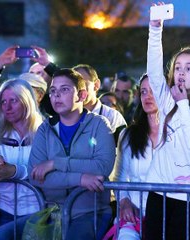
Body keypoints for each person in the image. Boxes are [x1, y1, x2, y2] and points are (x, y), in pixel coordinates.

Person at [145, 11, 190, 239]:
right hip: (159, 191)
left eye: (189, 68)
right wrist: (155, 29)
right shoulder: (167, 102)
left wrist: (184, 104)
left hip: (188, 196)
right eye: (178, 67)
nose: (181, 72)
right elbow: (154, 72)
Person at [28, 68, 116, 239]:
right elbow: (35, 175)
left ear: (82, 96)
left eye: (64, 89)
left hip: (90, 213)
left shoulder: (99, 125)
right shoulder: (45, 129)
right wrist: (81, 179)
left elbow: (102, 167)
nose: (56, 95)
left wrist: (55, 164)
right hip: (51, 214)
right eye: (53, 91)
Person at [0, 79, 43, 240]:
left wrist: (14, 171)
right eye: (3, 102)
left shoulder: (45, 132)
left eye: (13, 101)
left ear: (26, 102)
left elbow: (46, 169)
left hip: (38, 210)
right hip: (4, 210)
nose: (7, 107)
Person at [109, 74, 158, 240]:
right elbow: (119, 175)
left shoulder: (178, 134)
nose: (148, 96)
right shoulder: (128, 134)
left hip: (167, 215)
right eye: (144, 91)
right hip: (133, 214)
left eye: (153, 91)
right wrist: (124, 202)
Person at [73, 64, 126, 135]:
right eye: (73, 85)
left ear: (96, 85)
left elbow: (122, 145)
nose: (78, 90)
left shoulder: (112, 116)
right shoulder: (65, 116)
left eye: (83, 84)